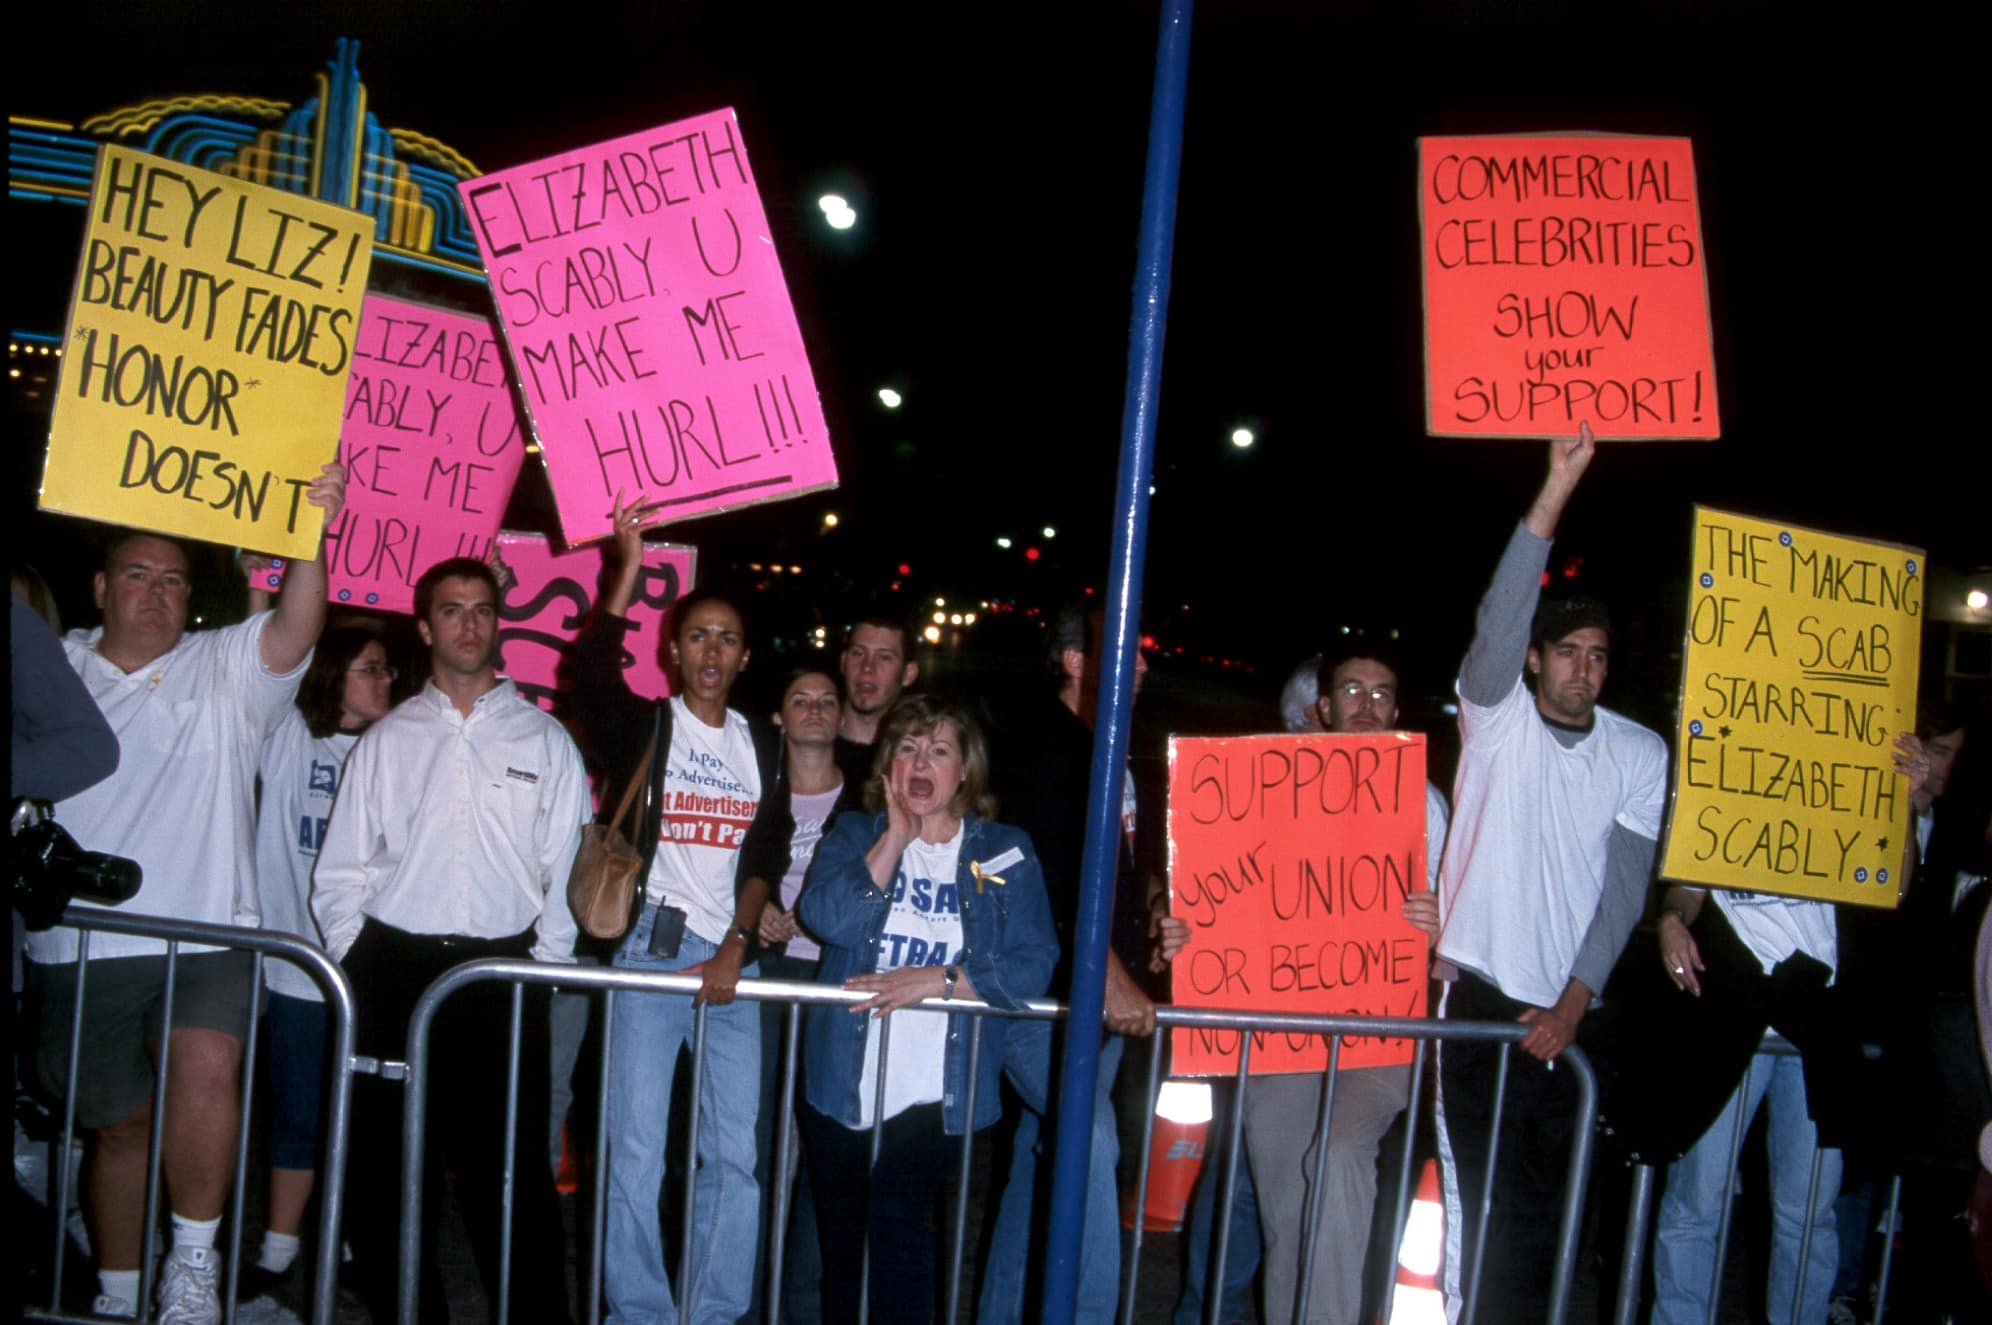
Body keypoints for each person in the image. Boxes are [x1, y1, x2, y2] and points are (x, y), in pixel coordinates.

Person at [25, 467, 342, 1324]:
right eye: (138, 575)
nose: (157, 594)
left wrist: (310, 529)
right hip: (82, 945)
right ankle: (119, 1291)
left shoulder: (221, 668)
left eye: (173, 580)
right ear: (100, 587)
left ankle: (193, 1269)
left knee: (208, 1063)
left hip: (206, 934)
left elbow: (297, 621)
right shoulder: (50, 674)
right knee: (118, 1126)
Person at [1430, 425, 1669, 1323]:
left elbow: (1624, 888)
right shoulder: (1496, 718)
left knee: (1551, 1215)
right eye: (1568, 650)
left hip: (1572, 1013)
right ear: (1536, 659)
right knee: (1480, 1212)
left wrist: (1575, 1001)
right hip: (1485, 1002)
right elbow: (1497, 616)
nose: (1585, 668)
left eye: (1599, 654)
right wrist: (1554, 492)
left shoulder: (1639, 752)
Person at [312, 555, 588, 1324]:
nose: (469, 622)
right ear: (426, 624)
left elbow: (565, 868)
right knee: (391, 1171)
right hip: (393, 970)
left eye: (482, 608)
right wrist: (357, 960)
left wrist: (543, 969)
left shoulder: (544, 738)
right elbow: (340, 876)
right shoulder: (388, 740)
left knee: (512, 1174)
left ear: (498, 623)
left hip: (503, 972)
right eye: (452, 609)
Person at [567, 492, 794, 1325]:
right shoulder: (649, 728)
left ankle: (713, 1310)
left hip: (731, 958)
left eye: (726, 638)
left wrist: (738, 942)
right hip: (649, 951)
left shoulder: (760, 744)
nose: (711, 649)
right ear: (672, 649)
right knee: (632, 1152)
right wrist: (624, 570)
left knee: (736, 1155)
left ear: (741, 660)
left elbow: (765, 852)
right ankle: (640, 1312)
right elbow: (587, 675)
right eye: (697, 633)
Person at [799, 694, 1059, 1325]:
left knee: (899, 1227)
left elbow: (1033, 962)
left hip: (941, 1095)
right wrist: (894, 838)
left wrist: (936, 980)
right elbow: (826, 918)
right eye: (908, 748)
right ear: (888, 765)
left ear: (965, 770)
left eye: (939, 750)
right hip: (844, 1084)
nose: (922, 762)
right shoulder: (858, 832)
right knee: (844, 1255)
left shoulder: (1001, 851)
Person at [1233, 648, 1446, 1325]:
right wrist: (1188, 929)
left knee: (1340, 1155)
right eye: (1351, 689)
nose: (1366, 703)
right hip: (1285, 1026)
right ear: (1321, 708)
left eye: (1382, 693)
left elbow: (1459, 922)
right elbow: (1230, 897)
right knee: (1288, 1219)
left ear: (1396, 712)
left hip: (1383, 1025)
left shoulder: (1425, 803)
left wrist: (1438, 921)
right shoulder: (1268, 787)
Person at [981, 601, 1180, 1324]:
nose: (1145, 668)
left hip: (1094, 1000)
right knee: (1089, 1141)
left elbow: (1122, 873)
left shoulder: (1111, 749)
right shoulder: (1049, 747)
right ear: (1077, 662)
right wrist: (1114, 976)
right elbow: (1046, 878)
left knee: (1041, 1162)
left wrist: (1154, 909)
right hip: (1051, 998)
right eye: (1130, 652)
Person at [239, 625, 393, 1302]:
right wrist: (256, 587)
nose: (387, 680)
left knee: (361, 1117)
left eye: (387, 669)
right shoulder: (291, 739)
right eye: (371, 669)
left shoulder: (395, 752)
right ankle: (278, 1250)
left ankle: (359, 1243)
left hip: (372, 971)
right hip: (300, 969)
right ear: (335, 675)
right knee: (301, 1112)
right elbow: (261, 672)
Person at [750, 668, 866, 1325]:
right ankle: (744, 1300)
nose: (817, 709)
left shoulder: (864, 799)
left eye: (827, 699)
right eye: (801, 698)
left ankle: (800, 1305)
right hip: (766, 977)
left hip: (831, 983)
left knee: (824, 1147)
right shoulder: (756, 789)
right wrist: (757, 903)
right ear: (778, 716)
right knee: (757, 1146)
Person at [834, 614, 919, 786]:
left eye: (885, 657)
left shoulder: (917, 761)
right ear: (843, 662)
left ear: (908, 674)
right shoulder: (807, 741)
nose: (867, 667)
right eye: (858, 653)